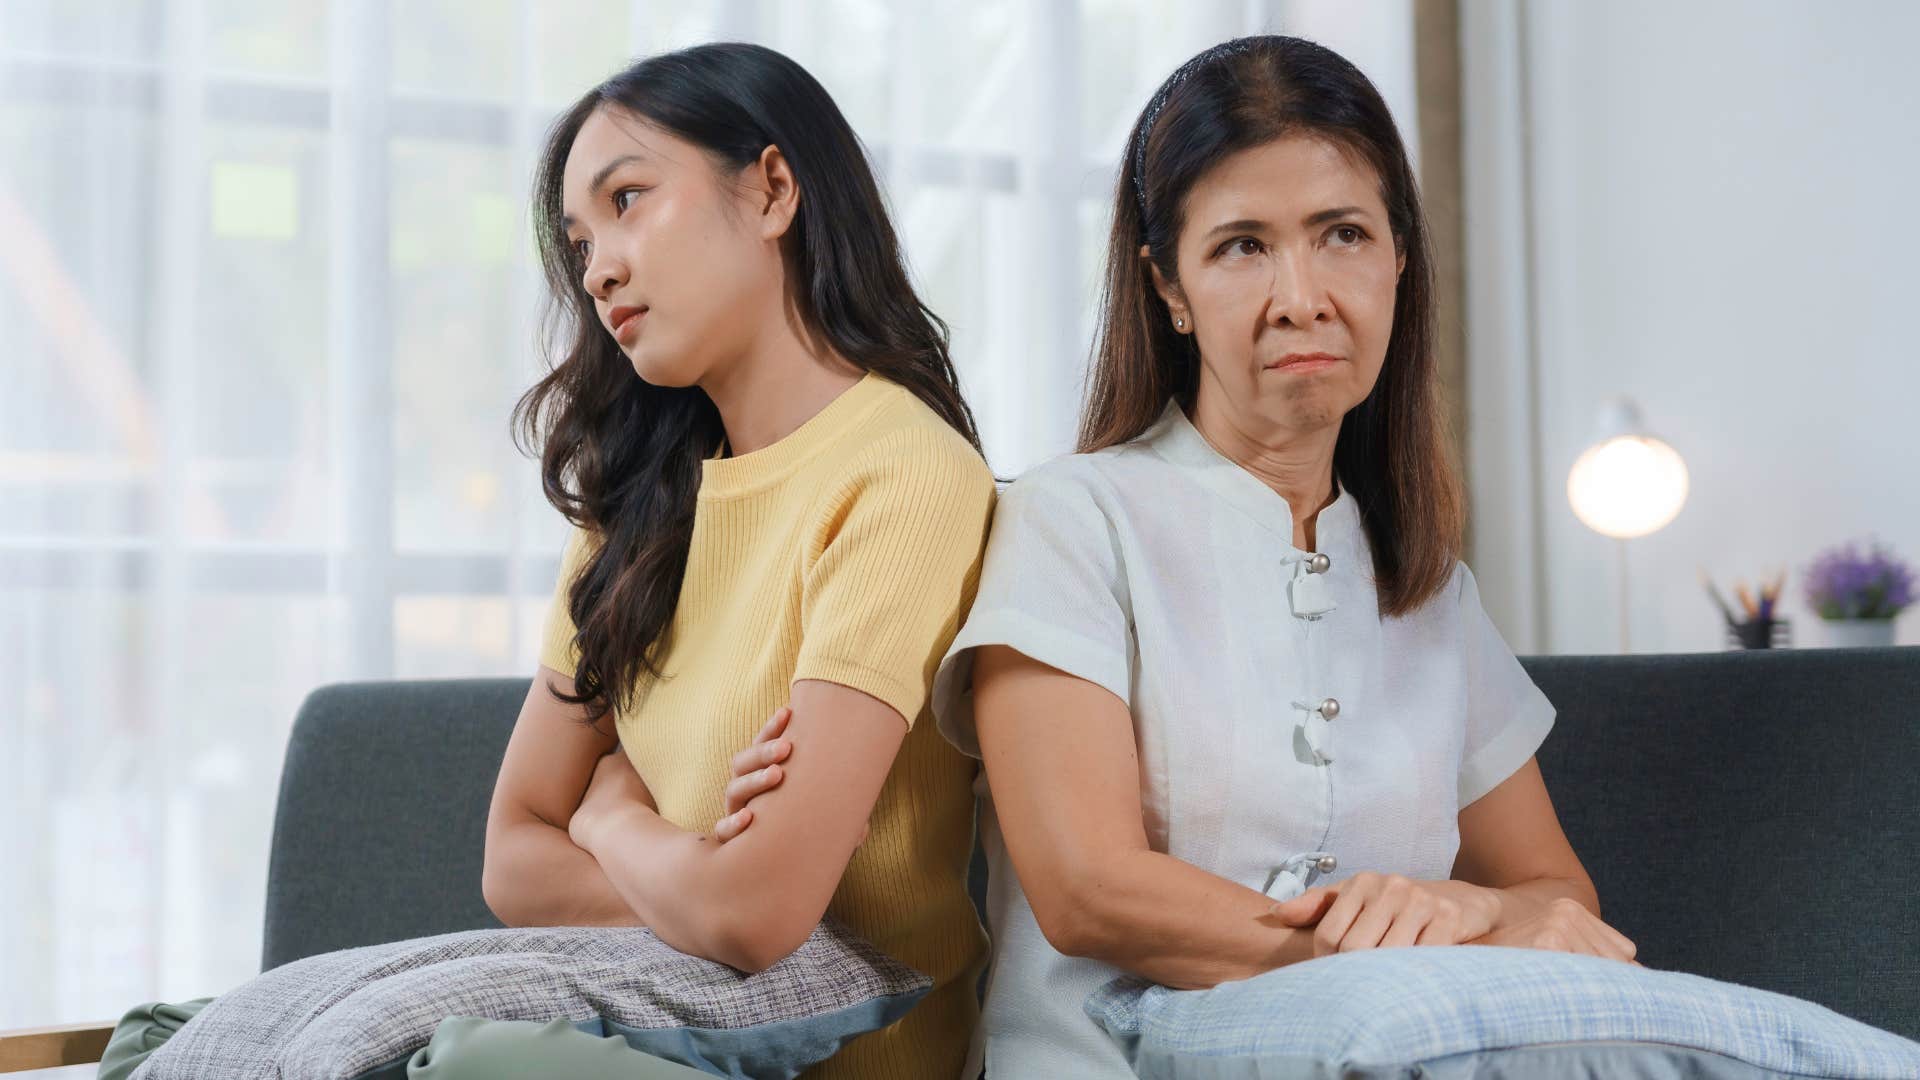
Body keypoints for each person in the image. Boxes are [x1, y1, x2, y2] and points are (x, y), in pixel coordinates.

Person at [924, 35, 1638, 1078]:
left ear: (1399, 255)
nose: (1301, 295)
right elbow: (1087, 891)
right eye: (1242, 246)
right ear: (1169, 288)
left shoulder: (1430, 590)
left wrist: (1466, 904)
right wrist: (1444, 956)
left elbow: (1559, 897)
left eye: (1341, 233)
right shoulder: (1071, 522)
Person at [482, 42, 995, 1079]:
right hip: (645, 1039)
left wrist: (614, 814)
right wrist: (698, 874)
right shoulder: (627, 510)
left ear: (770, 190)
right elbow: (513, 857)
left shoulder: (905, 476)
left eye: (629, 200)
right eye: (580, 241)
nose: (598, 270)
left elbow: (757, 914)